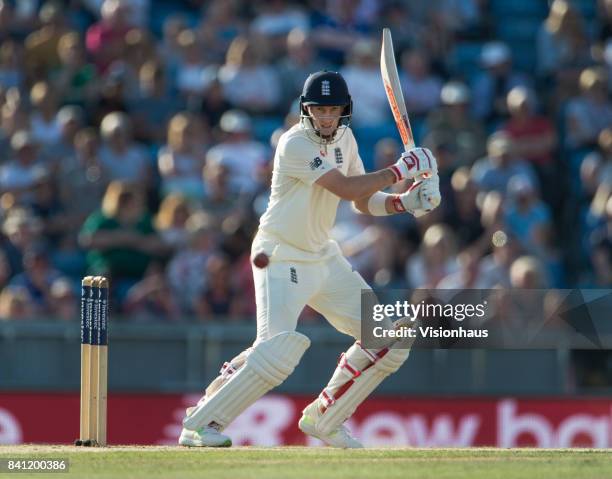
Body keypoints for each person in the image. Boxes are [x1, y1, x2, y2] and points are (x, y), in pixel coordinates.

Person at [178, 71, 441, 448]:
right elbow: (347, 187)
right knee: (277, 350)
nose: (327, 118)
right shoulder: (294, 144)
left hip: (323, 255)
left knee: (389, 336)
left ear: (344, 111)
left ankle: (325, 418)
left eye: (334, 110)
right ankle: (201, 424)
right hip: (281, 253)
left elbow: (360, 199)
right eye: (320, 110)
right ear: (307, 110)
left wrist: (405, 201)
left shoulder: (345, 138)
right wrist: (400, 171)